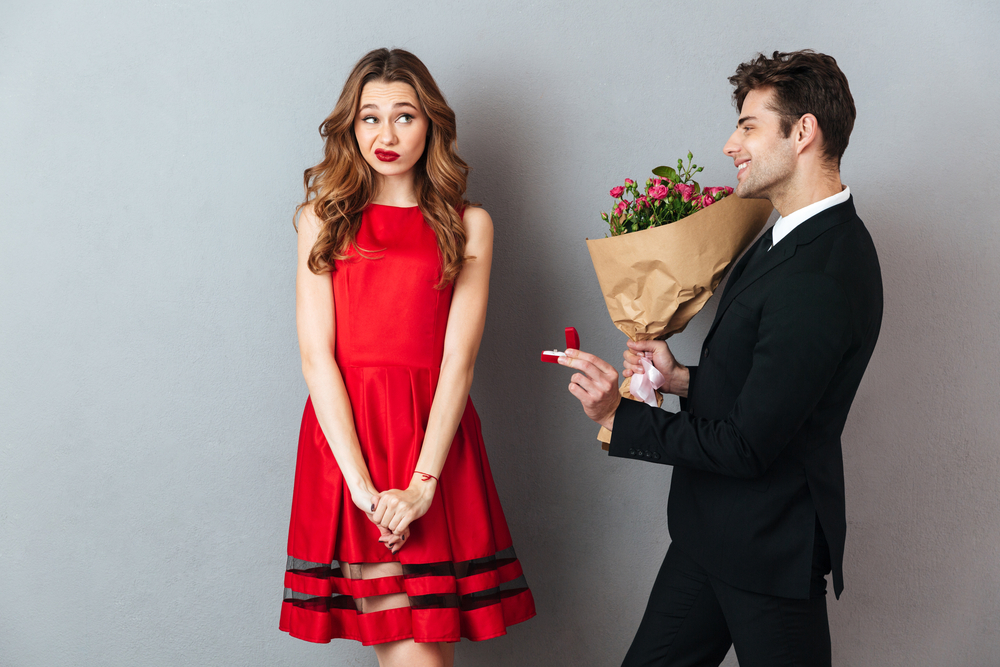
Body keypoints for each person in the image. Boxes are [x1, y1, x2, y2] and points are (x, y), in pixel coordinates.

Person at [560, 50, 883, 666]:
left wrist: (616, 416)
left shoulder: (824, 270)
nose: (731, 143)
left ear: (804, 131)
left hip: (768, 549)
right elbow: (773, 387)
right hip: (713, 535)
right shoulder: (788, 234)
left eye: (749, 125)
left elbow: (747, 444)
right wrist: (678, 378)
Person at [279, 48, 535, 667]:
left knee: (420, 650)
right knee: (400, 648)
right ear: (350, 126)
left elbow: (459, 361)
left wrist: (421, 486)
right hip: (350, 442)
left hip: (434, 442)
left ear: (432, 125)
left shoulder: (469, 223)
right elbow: (318, 359)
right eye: (369, 118)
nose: (385, 135)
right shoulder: (322, 219)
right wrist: (364, 489)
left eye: (404, 116)